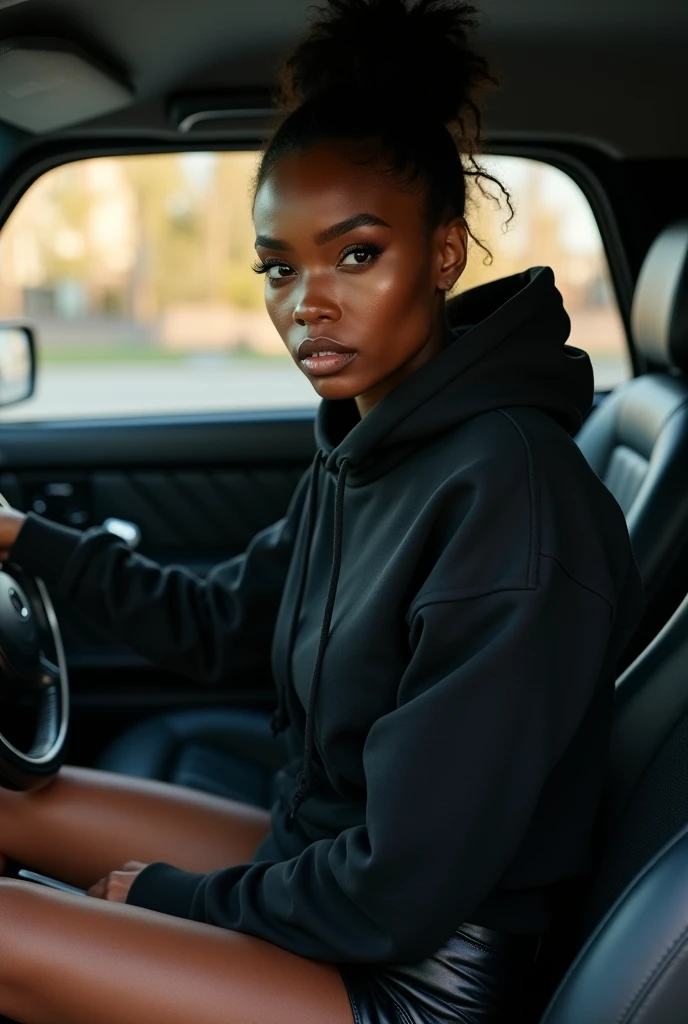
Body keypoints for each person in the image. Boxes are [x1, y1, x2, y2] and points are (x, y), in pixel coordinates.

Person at [0, 1, 644, 1021]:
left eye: (355, 255)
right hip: (324, 860)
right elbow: (222, 625)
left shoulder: (509, 497)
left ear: (441, 251)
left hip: (412, 975)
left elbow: (407, 883)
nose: (307, 301)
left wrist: (178, 900)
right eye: (277, 265)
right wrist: (21, 537)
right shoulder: (369, 443)